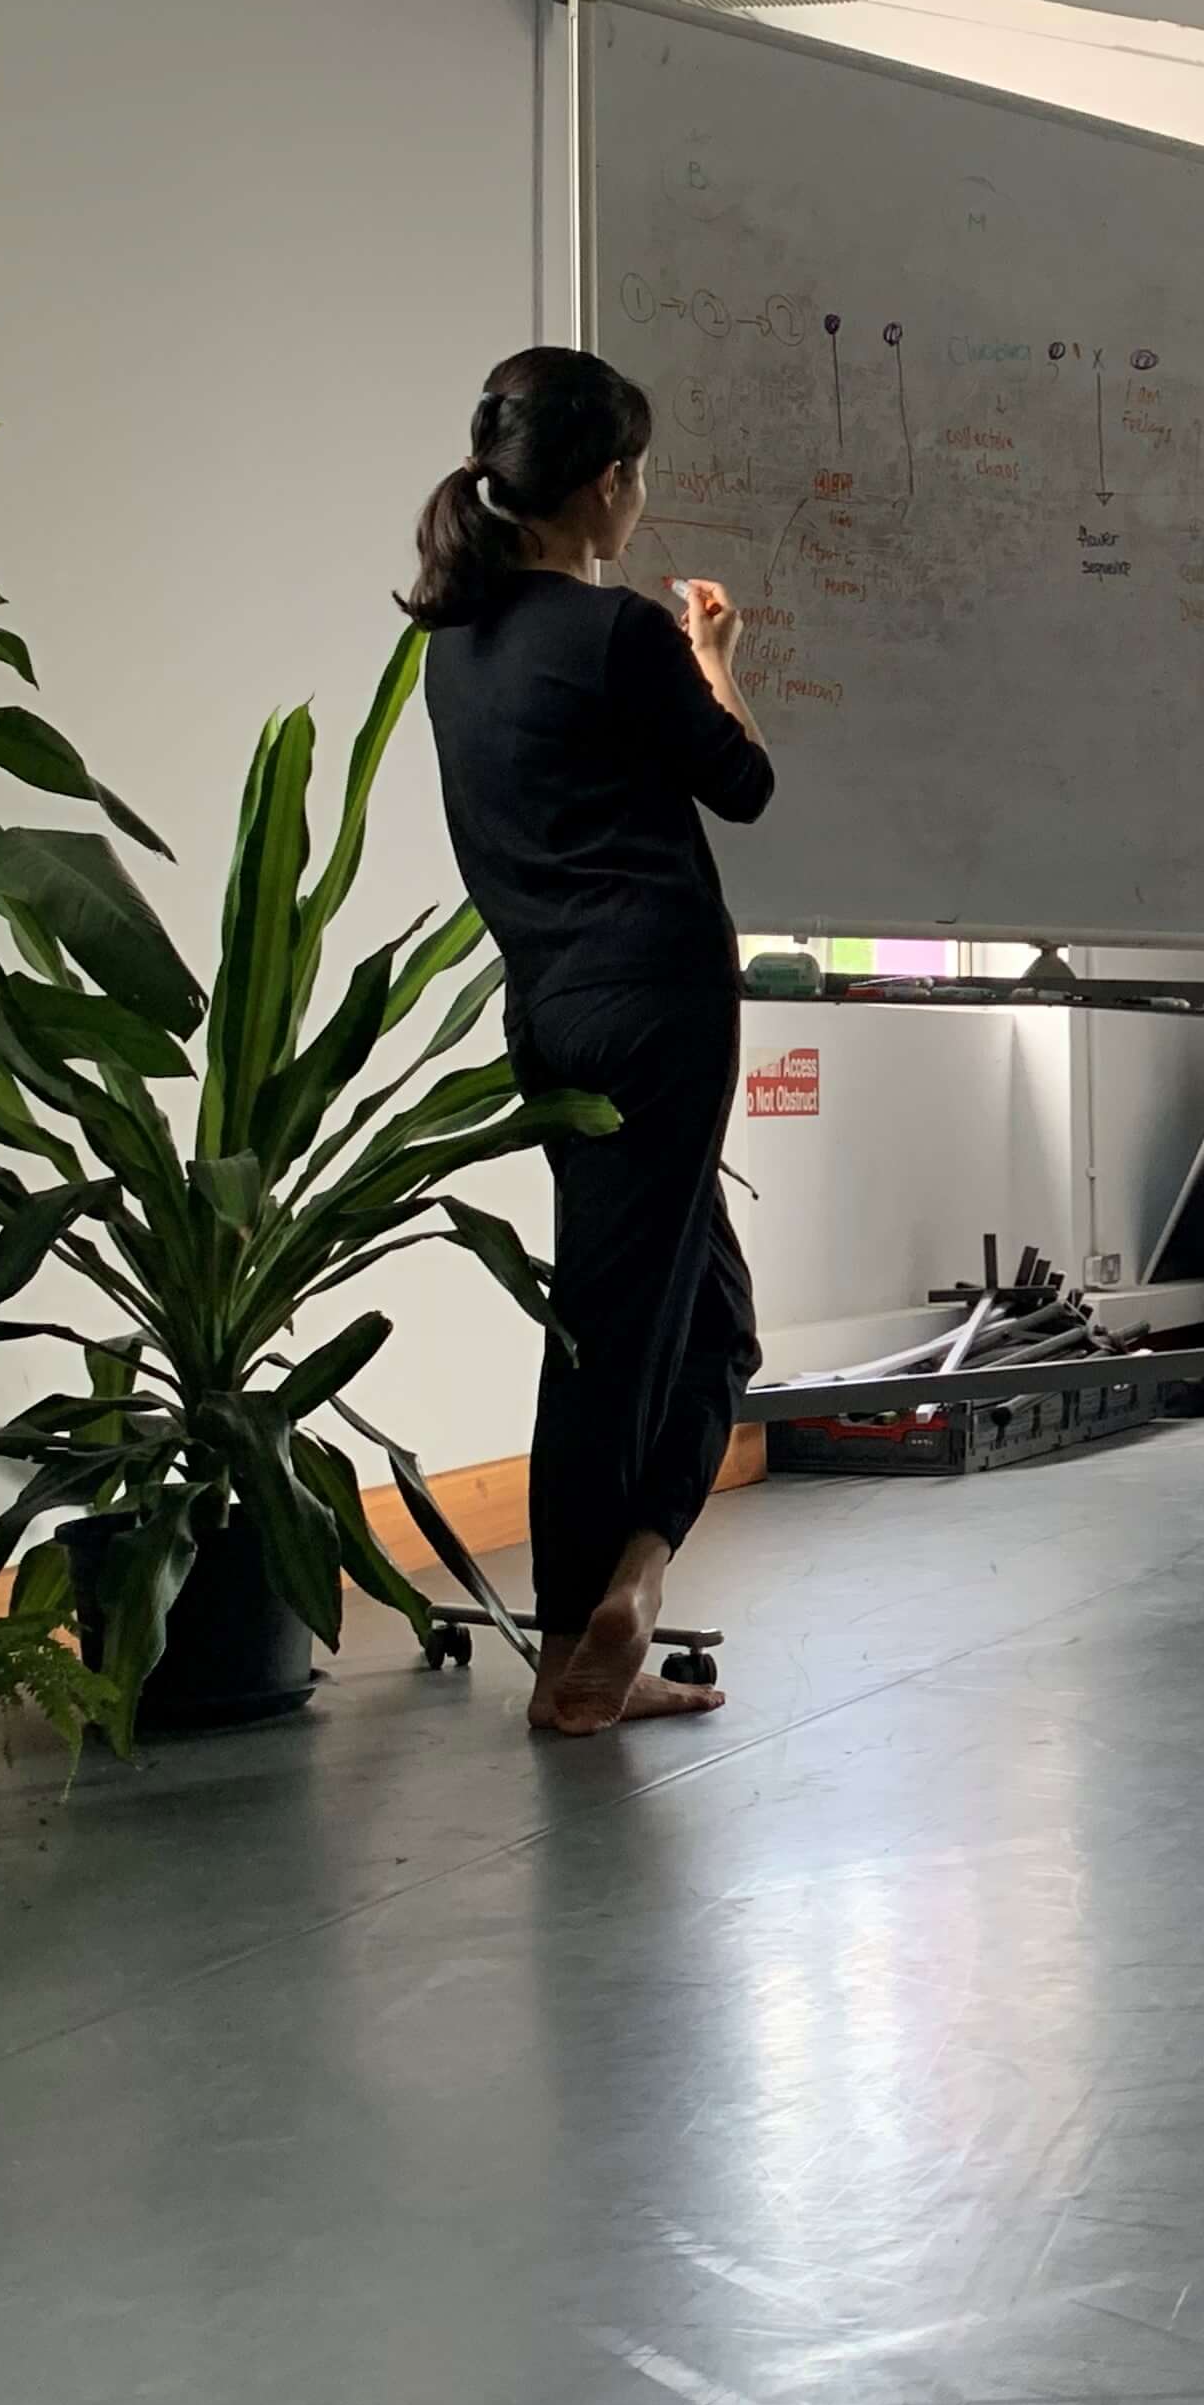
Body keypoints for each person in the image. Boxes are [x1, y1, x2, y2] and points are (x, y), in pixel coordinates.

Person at [404, 347, 774, 1737]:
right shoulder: (619, 632)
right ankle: (584, 1642)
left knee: (706, 1318)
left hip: (549, 1013)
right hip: (663, 1007)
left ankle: (628, 1584)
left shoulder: (453, 647)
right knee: (610, 1334)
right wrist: (713, 661)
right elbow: (742, 783)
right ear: (611, 484)